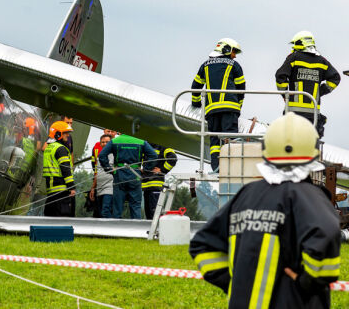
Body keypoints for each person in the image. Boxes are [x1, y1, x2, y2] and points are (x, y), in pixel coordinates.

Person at [189, 113, 340, 308]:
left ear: (266, 151)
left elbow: (202, 245)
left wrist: (234, 283)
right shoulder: (310, 196)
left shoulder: (246, 194)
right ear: (313, 153)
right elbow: (326, 234)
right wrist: (306, 281)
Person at [191, 38, 246, 172]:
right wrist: (238, 107)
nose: (235, 55)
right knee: (231, 138)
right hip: (230, 108)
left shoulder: (205, 65)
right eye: (234, 52)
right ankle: (232, 167)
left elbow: (195, 86)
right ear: (226, 50)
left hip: (212, 111)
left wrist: (196, 103)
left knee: (215, 141)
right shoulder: (235, 65)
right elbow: (241, 89)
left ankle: (216, 167)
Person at [275, 31, 341, 138]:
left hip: (293, 112)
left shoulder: (294, 57)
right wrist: (320, 91)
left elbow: (280, 75)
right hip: (313, 114)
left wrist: (284, 94)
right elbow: (335, 78)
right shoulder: (322, 61)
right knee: (310, 144)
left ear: (301, 43)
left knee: (291, 142)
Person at [98, 134, 158, 219]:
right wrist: (145, 170)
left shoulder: (115, 141)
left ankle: (116, 230)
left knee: (117, 208)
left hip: (119, 175)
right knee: (135, 207)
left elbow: (102, 155)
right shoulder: (141, 141)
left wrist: (109, 169)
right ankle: (137, 230)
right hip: (135, 175)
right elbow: (154, 156)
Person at [43, 121, 76, 217]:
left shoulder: (49, 148)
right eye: (65, 133)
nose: (67, 135)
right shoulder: (61, 149)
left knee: (50, 217)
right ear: (58, 134)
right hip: (61, 190)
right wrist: (72, 187)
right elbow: (65, 169)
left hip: (51, 190)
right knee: (63, 218)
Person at [141, 143, 177, 220]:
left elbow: (173, 158)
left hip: (155, 186)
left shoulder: (163, 145)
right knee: (149, 213)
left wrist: (162, 170)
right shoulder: (146, 144)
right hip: (146, 186)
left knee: (154, 213)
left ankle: (157, 230)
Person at [90, 133, 114, 218]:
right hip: (99, 188)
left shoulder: (115, 154)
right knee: (100, 214)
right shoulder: (101, 156)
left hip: (109, 188)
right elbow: (97, 172)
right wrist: (93, 188)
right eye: (102, 142)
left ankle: (112, 229)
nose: (104, 144)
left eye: (107, 142)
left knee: (105, 211)